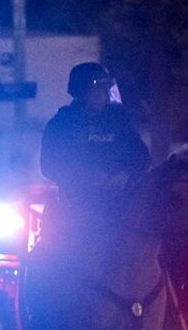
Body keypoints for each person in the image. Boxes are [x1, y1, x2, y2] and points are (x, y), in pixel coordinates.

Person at [39, 62, 152, 249]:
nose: (103, 94)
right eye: (96, 89)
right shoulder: (63, 123)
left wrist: (124, 176)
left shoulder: (119, 120)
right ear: (81, 92)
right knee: (57, 250)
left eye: (105, 89)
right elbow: (49, 165)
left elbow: (141, 157)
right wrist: (86, 178)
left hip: (121, 202)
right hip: (77, 208)